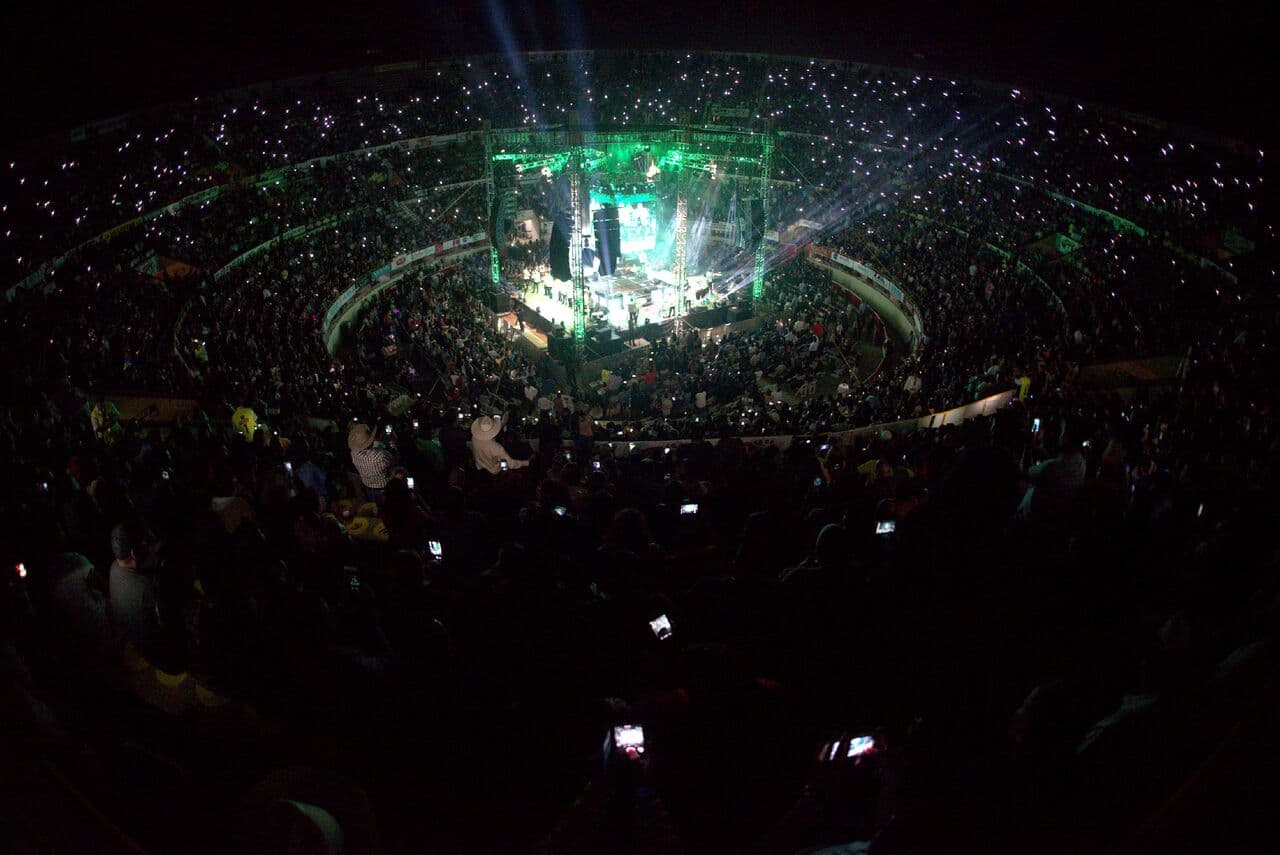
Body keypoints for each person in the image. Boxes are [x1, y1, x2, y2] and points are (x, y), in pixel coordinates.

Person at [349, 423, 394, 505]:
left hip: (367, 487)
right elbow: (393, 461)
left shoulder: (353, 453)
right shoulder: (380, 456)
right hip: (383, 489)